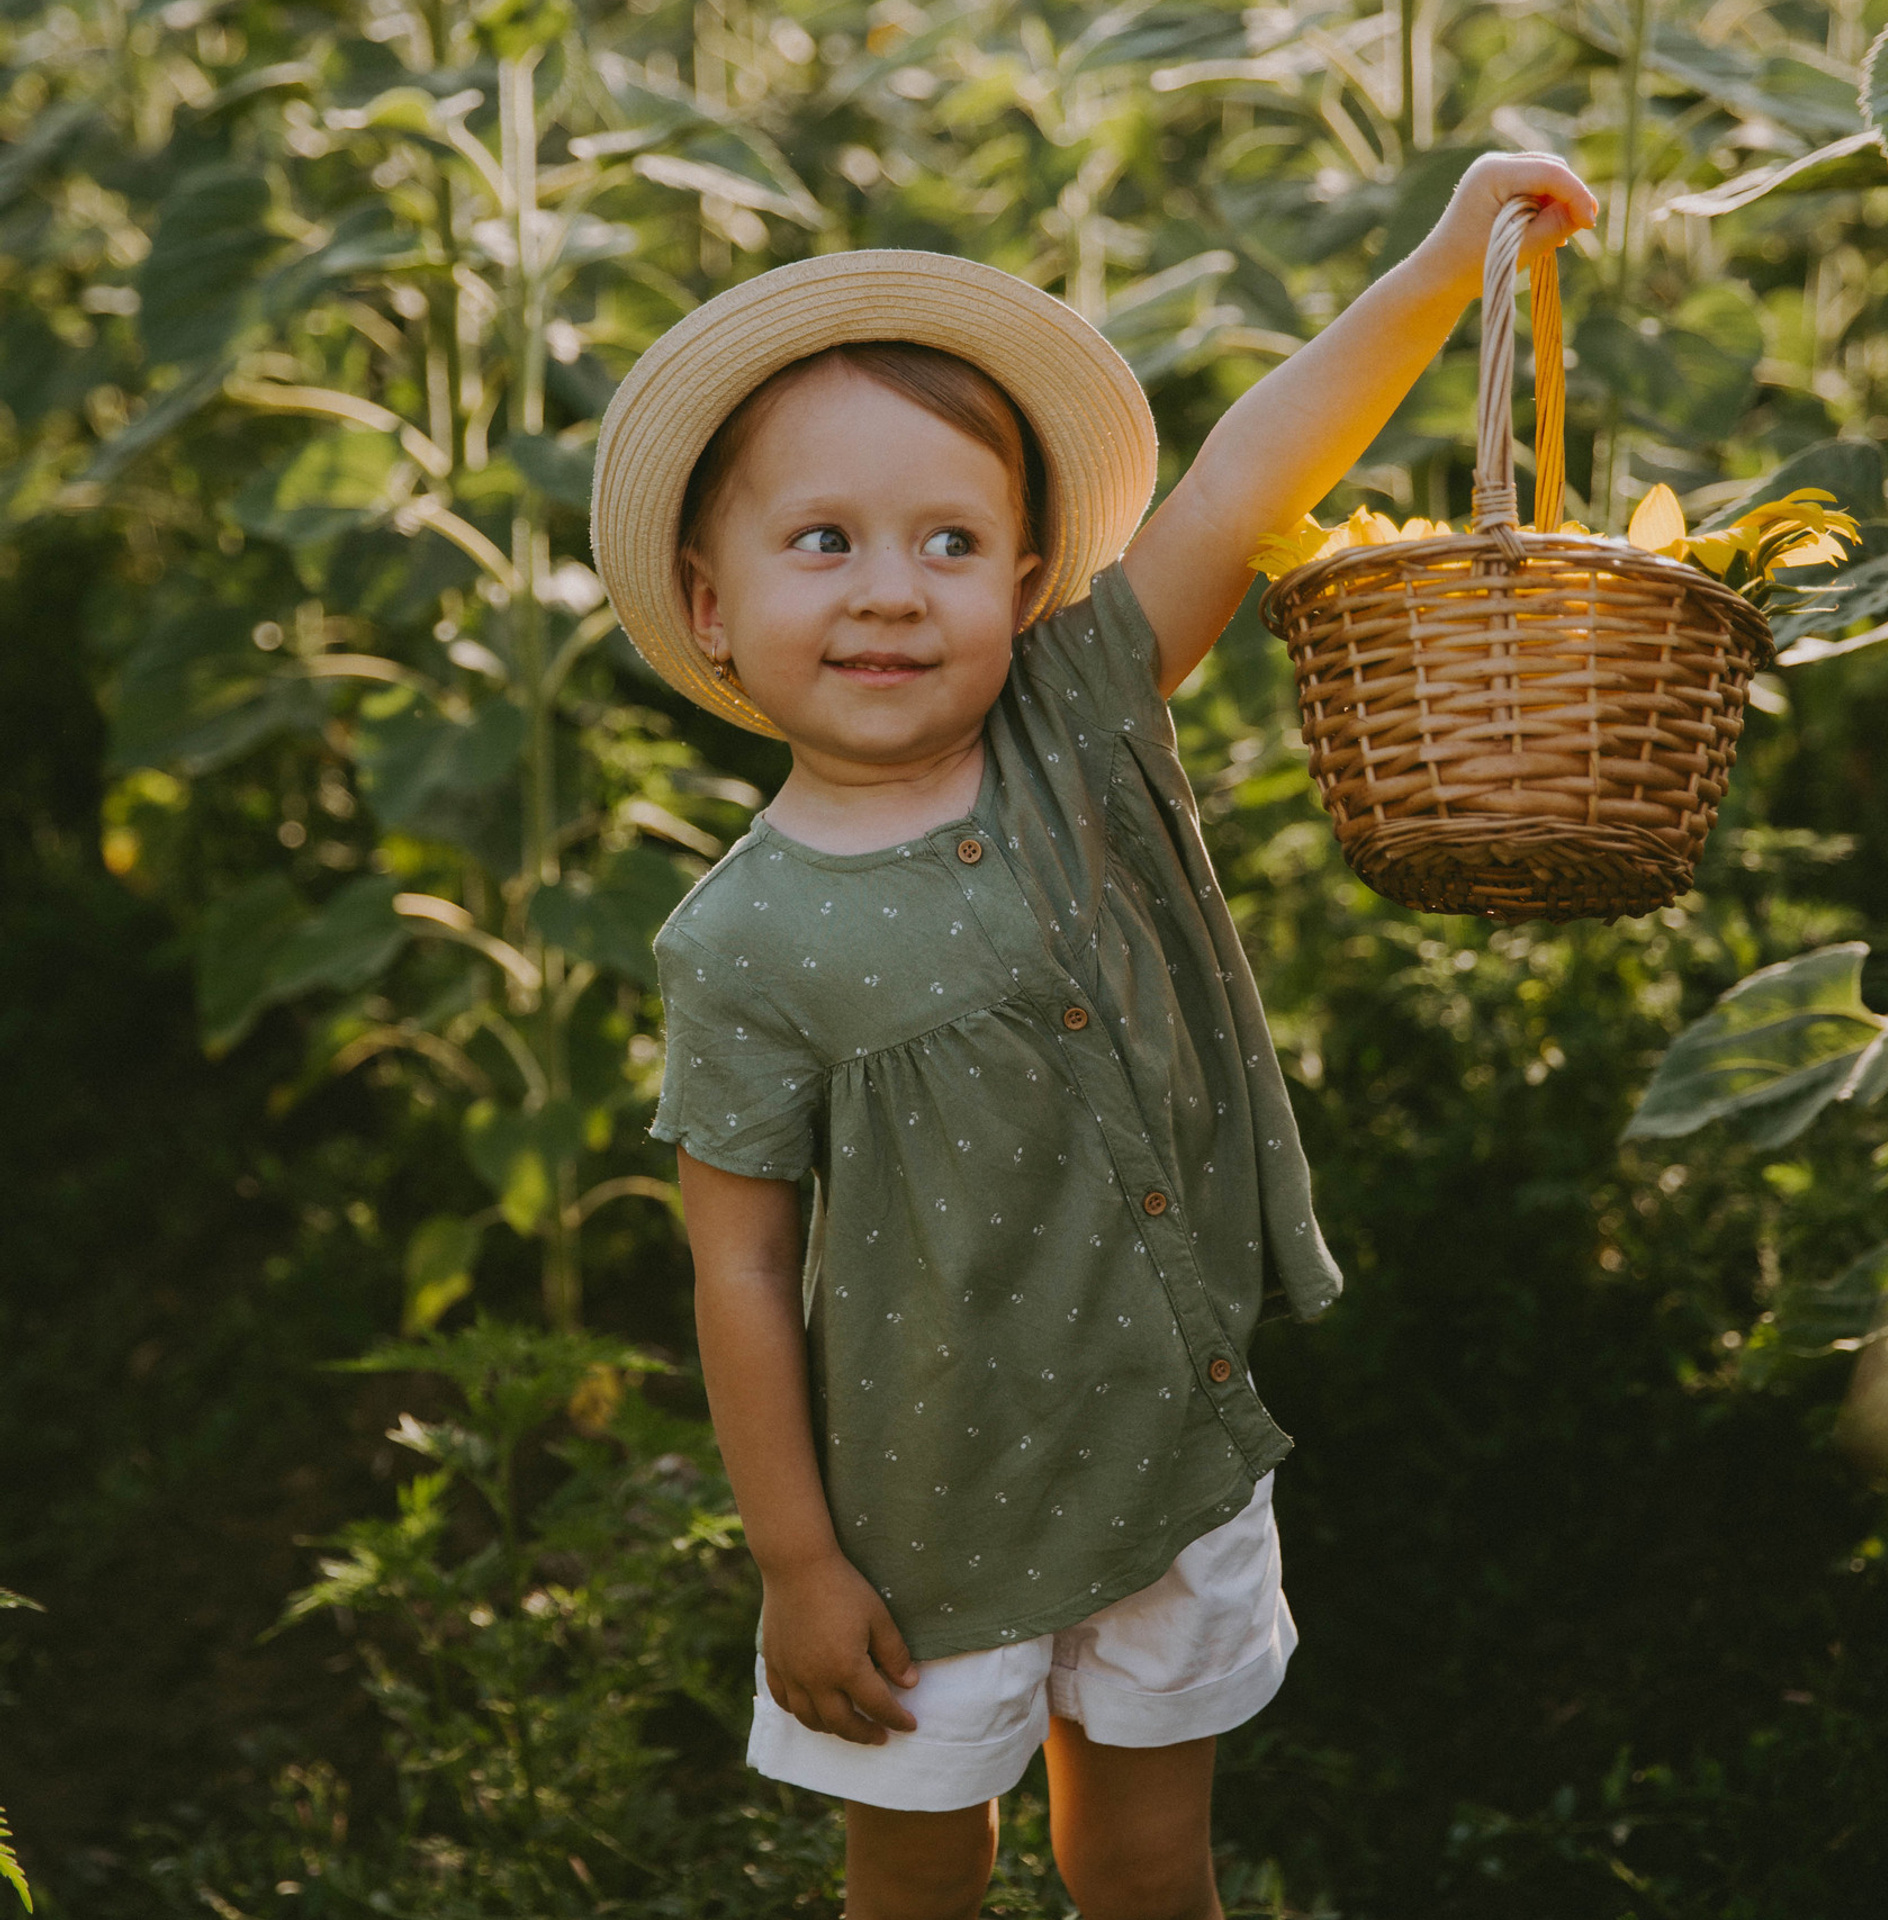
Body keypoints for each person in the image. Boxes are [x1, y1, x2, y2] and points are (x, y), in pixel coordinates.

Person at [589, 153, 1597, 1919]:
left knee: (1144, 1857)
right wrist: (799, 1561)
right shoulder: (742, 938)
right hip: (919, 1519)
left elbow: (1254, 473)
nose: (892, 590)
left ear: (1032, 577)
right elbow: (739, 1273)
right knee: (917, 1873)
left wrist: (1450, 260)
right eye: (823, 541)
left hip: (1160, 1456)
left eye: (950, 543)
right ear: (708, 602)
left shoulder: (1077, 721)